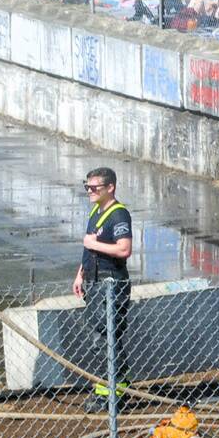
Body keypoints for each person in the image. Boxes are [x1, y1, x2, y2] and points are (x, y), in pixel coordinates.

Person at [74, 167, 134, 409]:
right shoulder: (96, 211)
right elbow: (89, 249)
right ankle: (114, 382)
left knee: (105, 335)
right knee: (100, 334)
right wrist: (80, 274)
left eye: (94, 187)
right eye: (87, 187)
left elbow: (123, 249)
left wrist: (95, 243)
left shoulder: (118, 215)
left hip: (111, 282)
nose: (89, 191)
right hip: (94, 281)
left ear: (110, 187)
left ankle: (115, 387)